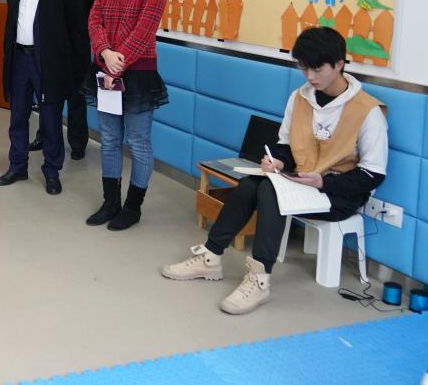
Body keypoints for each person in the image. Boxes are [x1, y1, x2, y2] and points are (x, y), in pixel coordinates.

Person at [161, 26, 389, 314]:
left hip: (339, 195)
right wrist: (278, 162)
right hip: (301, 182)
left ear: (339, 64)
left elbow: (372, 175)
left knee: (269, 191)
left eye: (317, 69)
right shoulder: (300, 97)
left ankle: (259, 279)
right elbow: (286, 145)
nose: (310, 76)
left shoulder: (368, 111)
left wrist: (323, 182)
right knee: (251, 183)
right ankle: (211, 256)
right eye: (304, 68)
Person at [86, 0, 169, 230]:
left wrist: (116, 63)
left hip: (138, 73)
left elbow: (145, 29)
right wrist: (104, 53)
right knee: (109, 139)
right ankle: (110, 203)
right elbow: (94, 20)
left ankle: (132, 208)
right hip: (106, 69)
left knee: (138, 141)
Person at [0, 0, 88, 195]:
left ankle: (51, 170)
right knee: (18, 114)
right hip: (19, 57)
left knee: (50, 118)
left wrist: (75, 66)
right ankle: (17, 165)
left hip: (49, 59)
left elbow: (76, 27)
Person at [29, 0, 102, 160]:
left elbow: (95, 10)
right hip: (46, 45)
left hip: (75, 46)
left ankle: (78, 143)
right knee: (46, 95)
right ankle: (44, 136)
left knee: (76, 97)